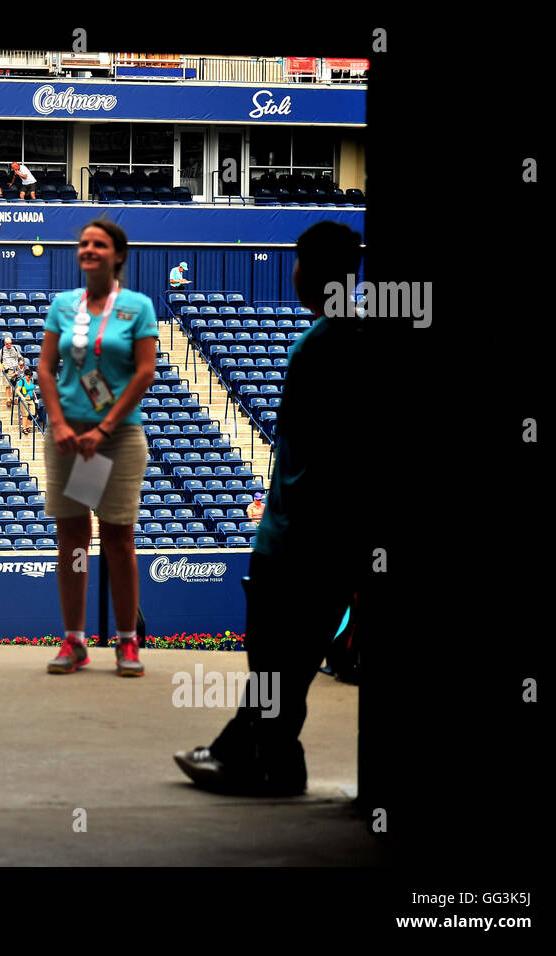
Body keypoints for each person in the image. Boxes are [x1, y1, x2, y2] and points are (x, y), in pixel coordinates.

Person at [174, 220, 369, 796]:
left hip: (297, 537)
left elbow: (309, 450)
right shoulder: (364, 336)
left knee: (273, 658)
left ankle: (264, 759)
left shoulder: (318, 345)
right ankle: (254, 751)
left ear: (307, 270)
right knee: (293, 662)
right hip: (335, 539)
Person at [38, 219, 158, 678]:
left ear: (118, 255)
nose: (88, 249)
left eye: (99, 244)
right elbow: (47, 369)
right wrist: (61, 424)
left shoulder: (137, 307)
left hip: (117, 437)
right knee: (72, 540)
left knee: (117, 537)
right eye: (84, 244)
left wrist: (103, 428)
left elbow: (144, 372)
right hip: (69, 437)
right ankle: (74, 641)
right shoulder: (63, 305)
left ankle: (127, 643)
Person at [0, 336, 23, 406]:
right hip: (7, 369)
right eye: (7, 344)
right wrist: (1, 367)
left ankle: (15, 398)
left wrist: (20, 365)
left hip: (15, 369)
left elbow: (20, 357)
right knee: (7, 385)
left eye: (10, 343)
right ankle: (8, 399)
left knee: (15, 385)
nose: (9, 345)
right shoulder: (2, 350)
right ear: (4, 343)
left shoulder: (15, 348)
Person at [16, 367, 37, 435]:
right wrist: (22, 397)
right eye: (28, 377)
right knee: (25, 415)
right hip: (24, 399)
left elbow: (32, 389)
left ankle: (27, 426)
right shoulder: (22, 381)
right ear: (25, 375)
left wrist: (35, 397)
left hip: (31, 399)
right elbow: (17, 390)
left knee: (33, 414)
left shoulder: (31, 380)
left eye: (30, 377)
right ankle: (24, 428)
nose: (29, 378)